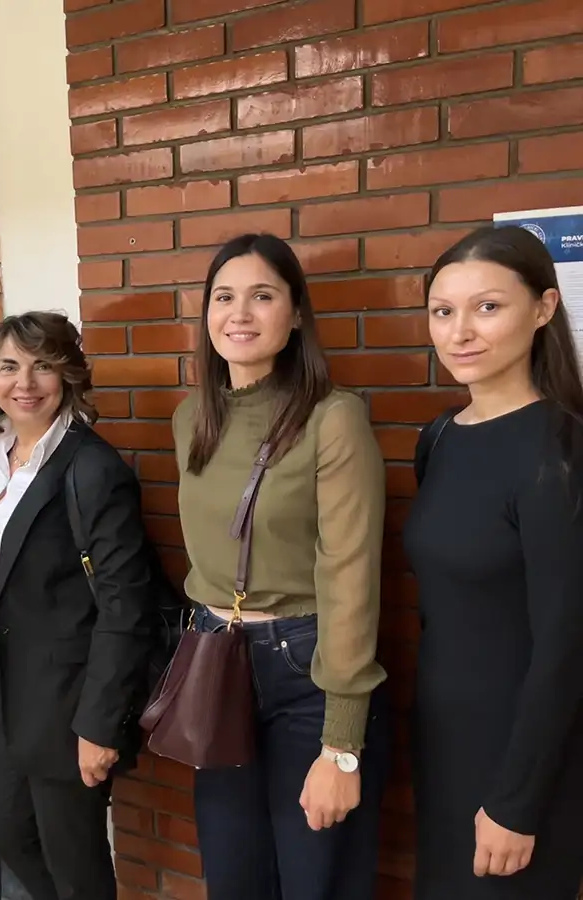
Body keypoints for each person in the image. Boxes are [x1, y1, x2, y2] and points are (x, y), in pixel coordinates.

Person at [171, 233, 388, 900]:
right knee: (233, 876)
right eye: (223, 297)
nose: (239, 314)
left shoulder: (333, 418)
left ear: (295, 315)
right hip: (218, 663)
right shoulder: (192, 417)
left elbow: (351, 577)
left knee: (314, 879)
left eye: (262, 296)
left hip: (307, 669)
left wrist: (341, 744)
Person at [0, 312, 158, 900]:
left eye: (42, 365)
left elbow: (125, 608)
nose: (25, 382)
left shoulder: (92, 469)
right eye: (9, 367)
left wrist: (99, 723)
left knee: (74, 860)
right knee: (2, 826)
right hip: (0, 684)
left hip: (66, 696)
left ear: (66, 375)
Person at [405, 226, 583, 899]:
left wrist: (517, 801)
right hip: (444, 739)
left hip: (523, 760)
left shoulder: (560, 453)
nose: (460, 332)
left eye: (487, 307)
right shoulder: (440, 438)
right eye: (442, 311)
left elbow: (567, 645)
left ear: (542, 308)